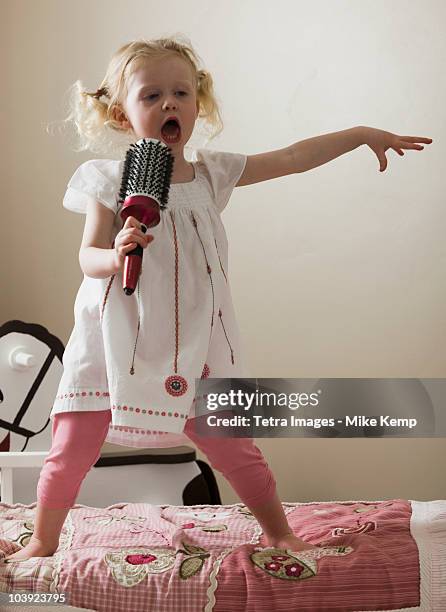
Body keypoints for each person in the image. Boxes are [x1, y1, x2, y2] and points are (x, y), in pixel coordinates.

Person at [3, 35, 431, 564]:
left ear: (197, 105)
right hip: (114, 340)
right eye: (152, 94)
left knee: (236, 447)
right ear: (121, 113)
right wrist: (116, 254)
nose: (169, 104)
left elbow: (294, 158)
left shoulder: (212, 173)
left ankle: (277, 530)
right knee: (71, 449)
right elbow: (87, 256)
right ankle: (44, 540)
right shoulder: (109, 180)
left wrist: (361, 134)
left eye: (180, 93)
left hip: (194, 341)